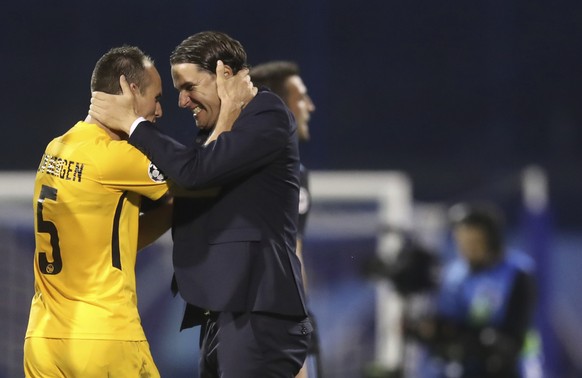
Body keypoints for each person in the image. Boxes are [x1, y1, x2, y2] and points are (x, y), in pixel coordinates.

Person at [89, 31, 313, 377]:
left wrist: (131, 124)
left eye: (188, 87)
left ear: (224, 74)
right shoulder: (221, 129)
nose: (182, 101)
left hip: (256, 313)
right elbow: (187, 181)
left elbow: (196, 173)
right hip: (226, 314)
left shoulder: (267, 115)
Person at [24, 46, 173, 377]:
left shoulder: (56, 148)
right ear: (130, 90)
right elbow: (199, 176)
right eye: (156, 97)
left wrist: (172, 212)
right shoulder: (115, 156)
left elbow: (108, 243)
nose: (159, 110)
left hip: (43, 338)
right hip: (105, 338)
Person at [403, 202, 539, 378]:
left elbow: (512, 336)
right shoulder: (453, 273)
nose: (467, 248)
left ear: (492, 240)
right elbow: (446, 319)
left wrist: (470, 340)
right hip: (459, 369)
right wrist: (430, 329)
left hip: (505, 370)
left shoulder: (517, 272)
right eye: (461, 241)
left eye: (475, 241)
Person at [250, 61, 320, 378]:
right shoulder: (282, 172)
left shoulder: (227, 159)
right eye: (301, 97)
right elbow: (288, 259)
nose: (310, 106)